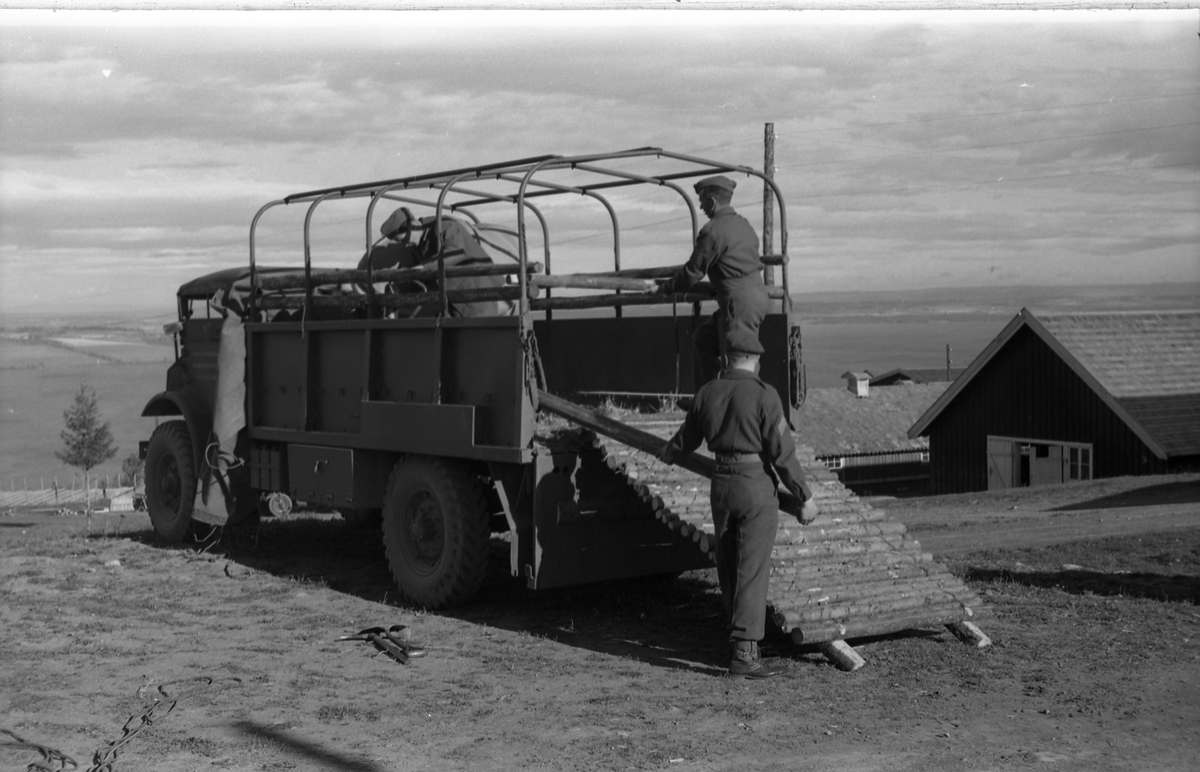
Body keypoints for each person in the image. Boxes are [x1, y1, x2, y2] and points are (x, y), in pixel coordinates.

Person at [658, 328, 818, 679]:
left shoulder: (707, 393)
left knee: (728, 562)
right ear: (755, 360)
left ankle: (737, 638)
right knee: (752, 569)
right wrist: (804, 496)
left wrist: (666, 452)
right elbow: (782, 453)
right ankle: (745, 654)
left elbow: (684, 440)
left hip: (721, 484)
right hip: (755, 485)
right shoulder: (764, 396)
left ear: (726, 359)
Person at [658, 175, 772, 389]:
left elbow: (693, 271)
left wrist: (665, 288)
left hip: (738, 303)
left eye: (702, 200)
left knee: (738, 363)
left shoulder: (712, 231)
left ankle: (737, 405)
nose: (701, 206)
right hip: (754, 296)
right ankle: (707, 397)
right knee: (704, 339)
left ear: (712, 200)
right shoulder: (743, 225)